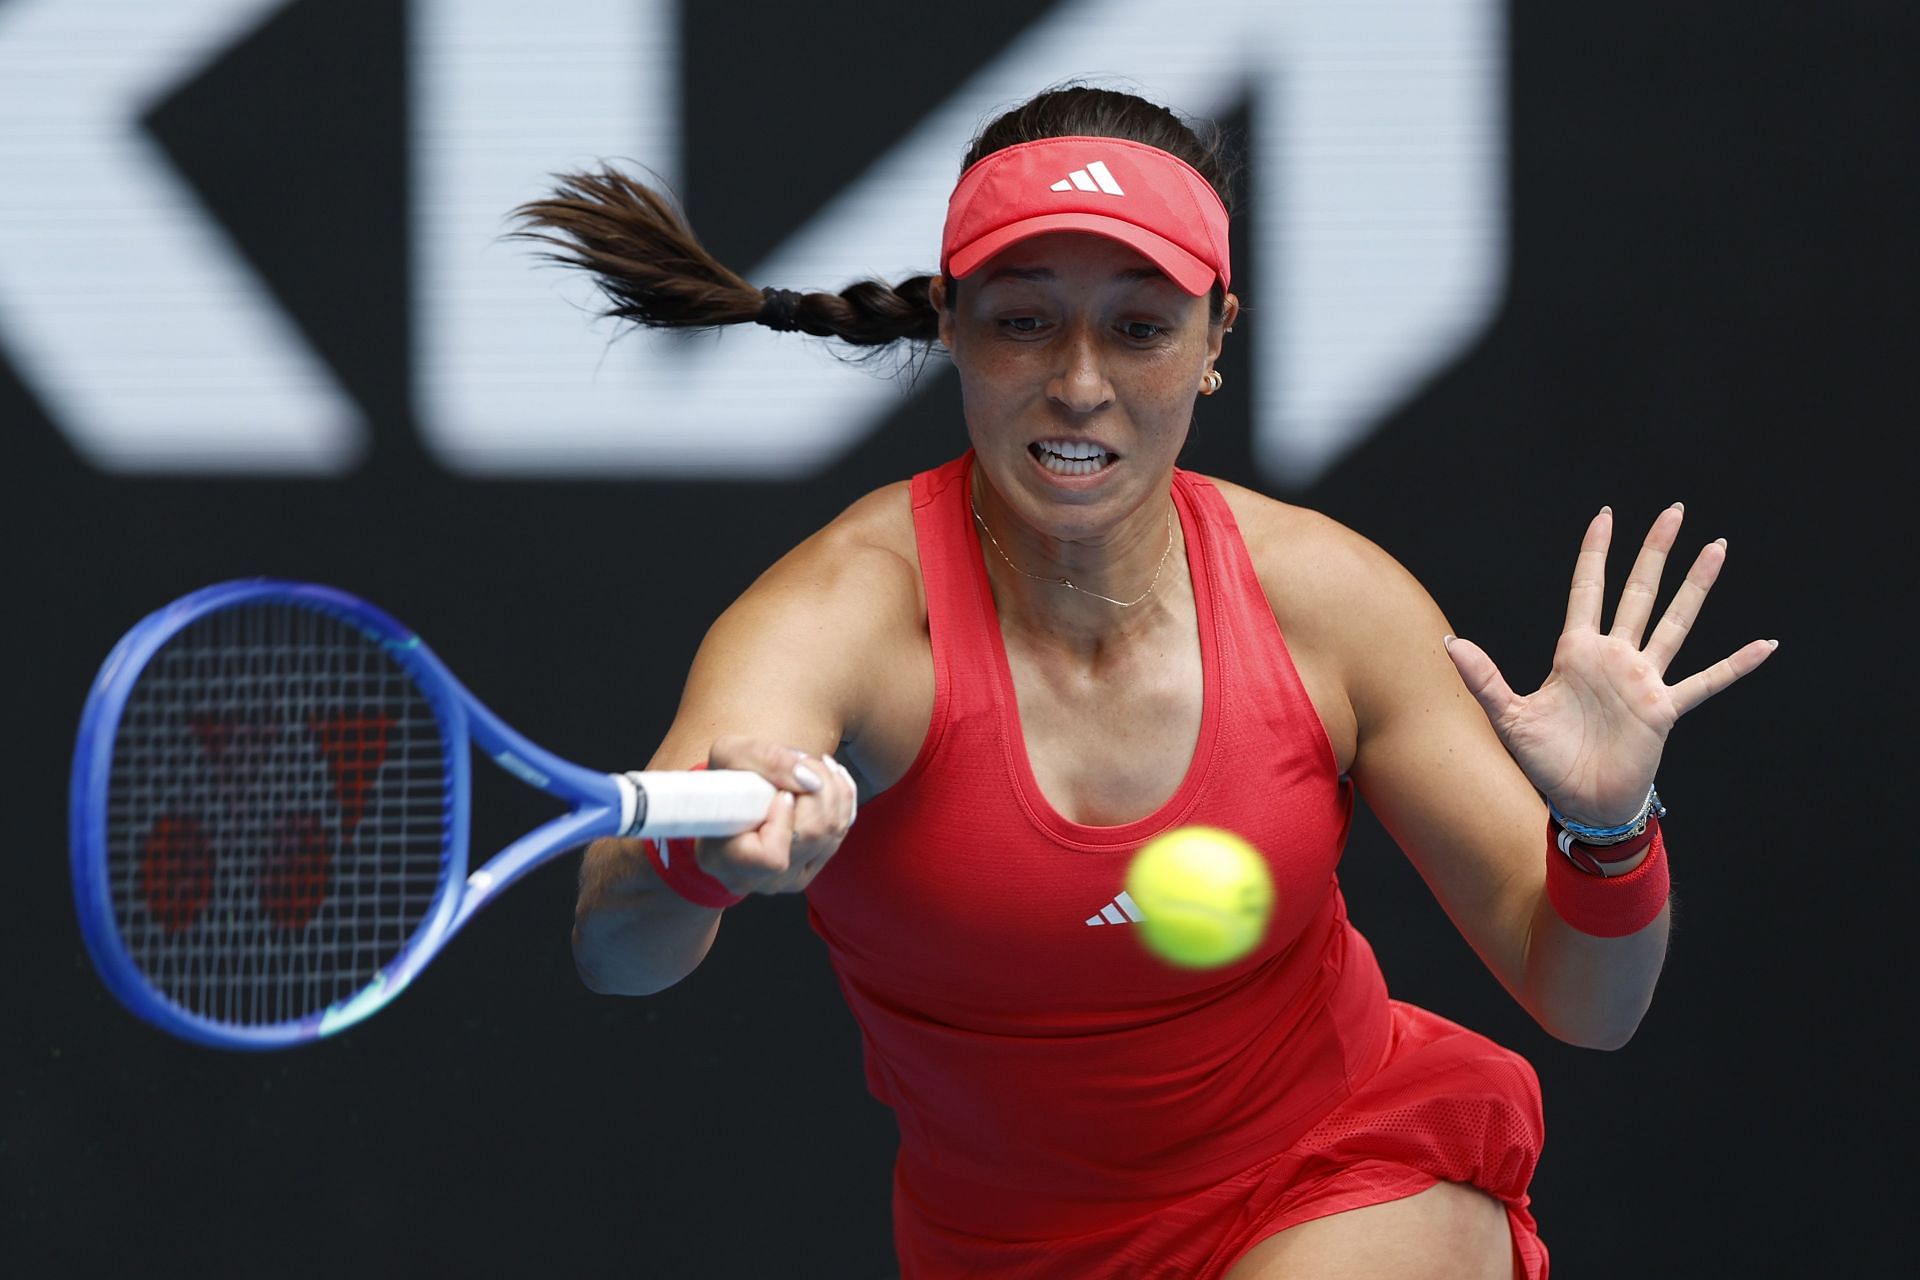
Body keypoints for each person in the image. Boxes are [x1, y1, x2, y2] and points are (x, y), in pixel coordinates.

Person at [524, 86, 1775, 1279]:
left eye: (1139, 324)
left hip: (1344, 1170)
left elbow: (1586, 998)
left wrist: (1608, 829)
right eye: (1024, 319)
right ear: (952, 323)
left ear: (1215, 338)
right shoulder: (843, 612)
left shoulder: (1326, 599)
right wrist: (707, 853)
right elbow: (616, 948)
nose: (1080, 381)